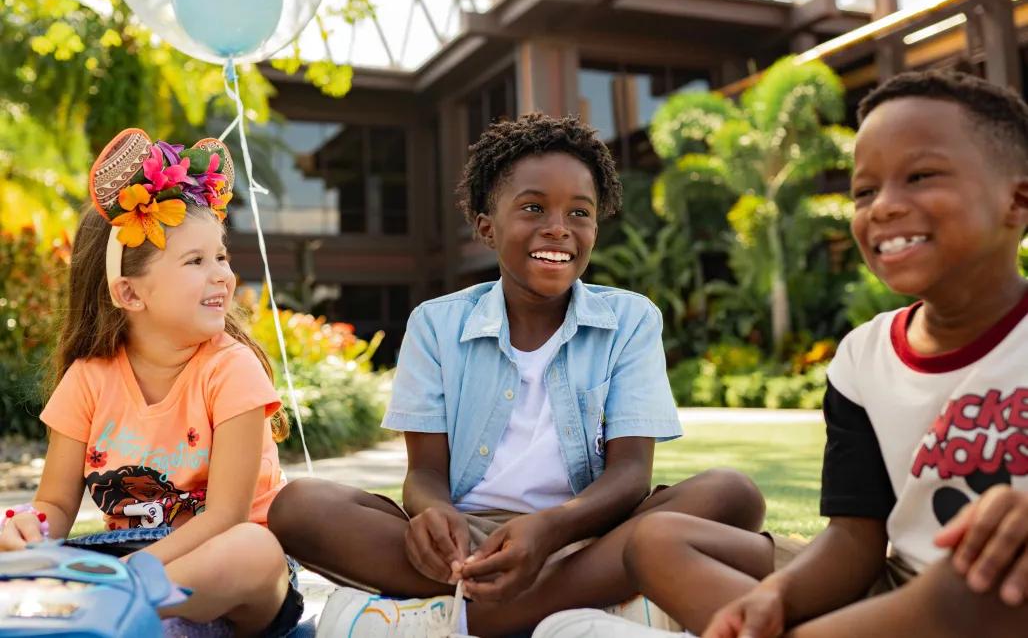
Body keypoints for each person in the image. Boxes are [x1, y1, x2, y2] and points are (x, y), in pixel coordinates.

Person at [532, 71, 1028, 638]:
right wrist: (775, 597)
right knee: (657, 538)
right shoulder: (863, 358)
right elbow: (855, 541)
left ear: (1018, 200)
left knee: (979, 586)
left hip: (995, 598)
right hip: (900, 590)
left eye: (920, 177)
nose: (884, 207)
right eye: (864, 191)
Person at [269, 113, 765, 637]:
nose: (559, 227)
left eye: (580, 212)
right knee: (299, 507)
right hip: (469, 543)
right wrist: (433, 514)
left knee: (731, 493)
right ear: (487, 227)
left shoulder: (630, 320)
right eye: (533, 208)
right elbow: (425, 473)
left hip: (589, 534)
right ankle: (568, 604)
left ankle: (467, 616)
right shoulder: (436, 325)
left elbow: (630, 476)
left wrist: (549, 530)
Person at [0, 129, 303, 636]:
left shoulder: (232, 370)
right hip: (122, 565)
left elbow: (227, 516)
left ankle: (109, 607)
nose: (223, 276)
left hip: (217, 578)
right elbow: (55, 503)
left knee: (254, 549)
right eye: (196, 261)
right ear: (130, 293)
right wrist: (30, 527)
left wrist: (129, 576)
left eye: (221, 256)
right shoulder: (88, 380)